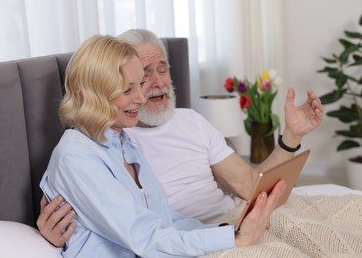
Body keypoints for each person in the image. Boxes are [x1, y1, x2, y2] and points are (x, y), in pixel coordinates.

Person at [37, 29, 324, 248]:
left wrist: (230, 234)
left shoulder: (123, 143)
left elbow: (164, 220)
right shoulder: (77, 156)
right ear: (88, 94)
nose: (142, 95)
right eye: (129, 88)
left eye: (160, 71)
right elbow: (144, 237)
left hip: (189, 236)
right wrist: (234, 240)